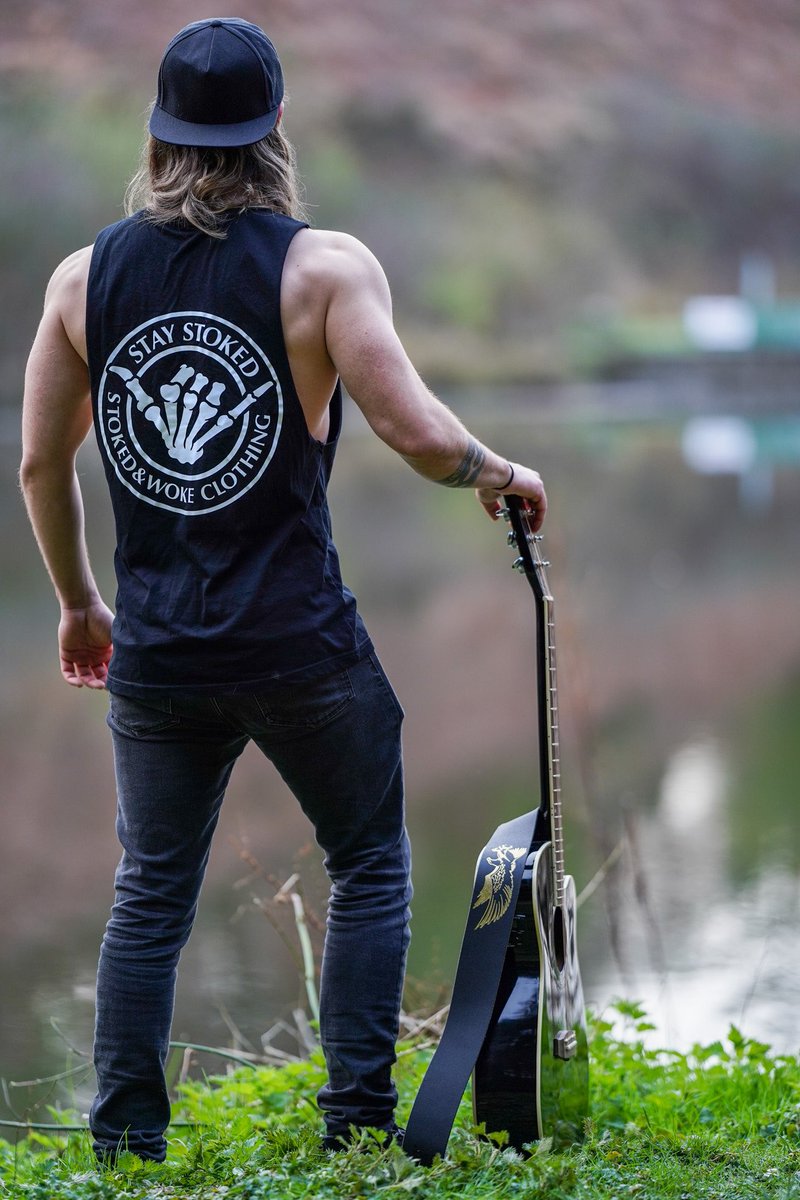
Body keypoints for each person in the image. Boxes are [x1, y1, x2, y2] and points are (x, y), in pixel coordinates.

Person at [20, 17, 547, 1164]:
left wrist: (76, 604)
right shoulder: (322, 267)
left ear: (159, 137)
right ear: (273, 134)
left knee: (150, 894)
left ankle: (123, 1148)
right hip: (299, 646)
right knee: (367, 862)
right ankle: (354, 1132)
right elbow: (413, 433)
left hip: (157, 656)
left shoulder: (83, 276)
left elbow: (38, 463)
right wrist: (498, 474)